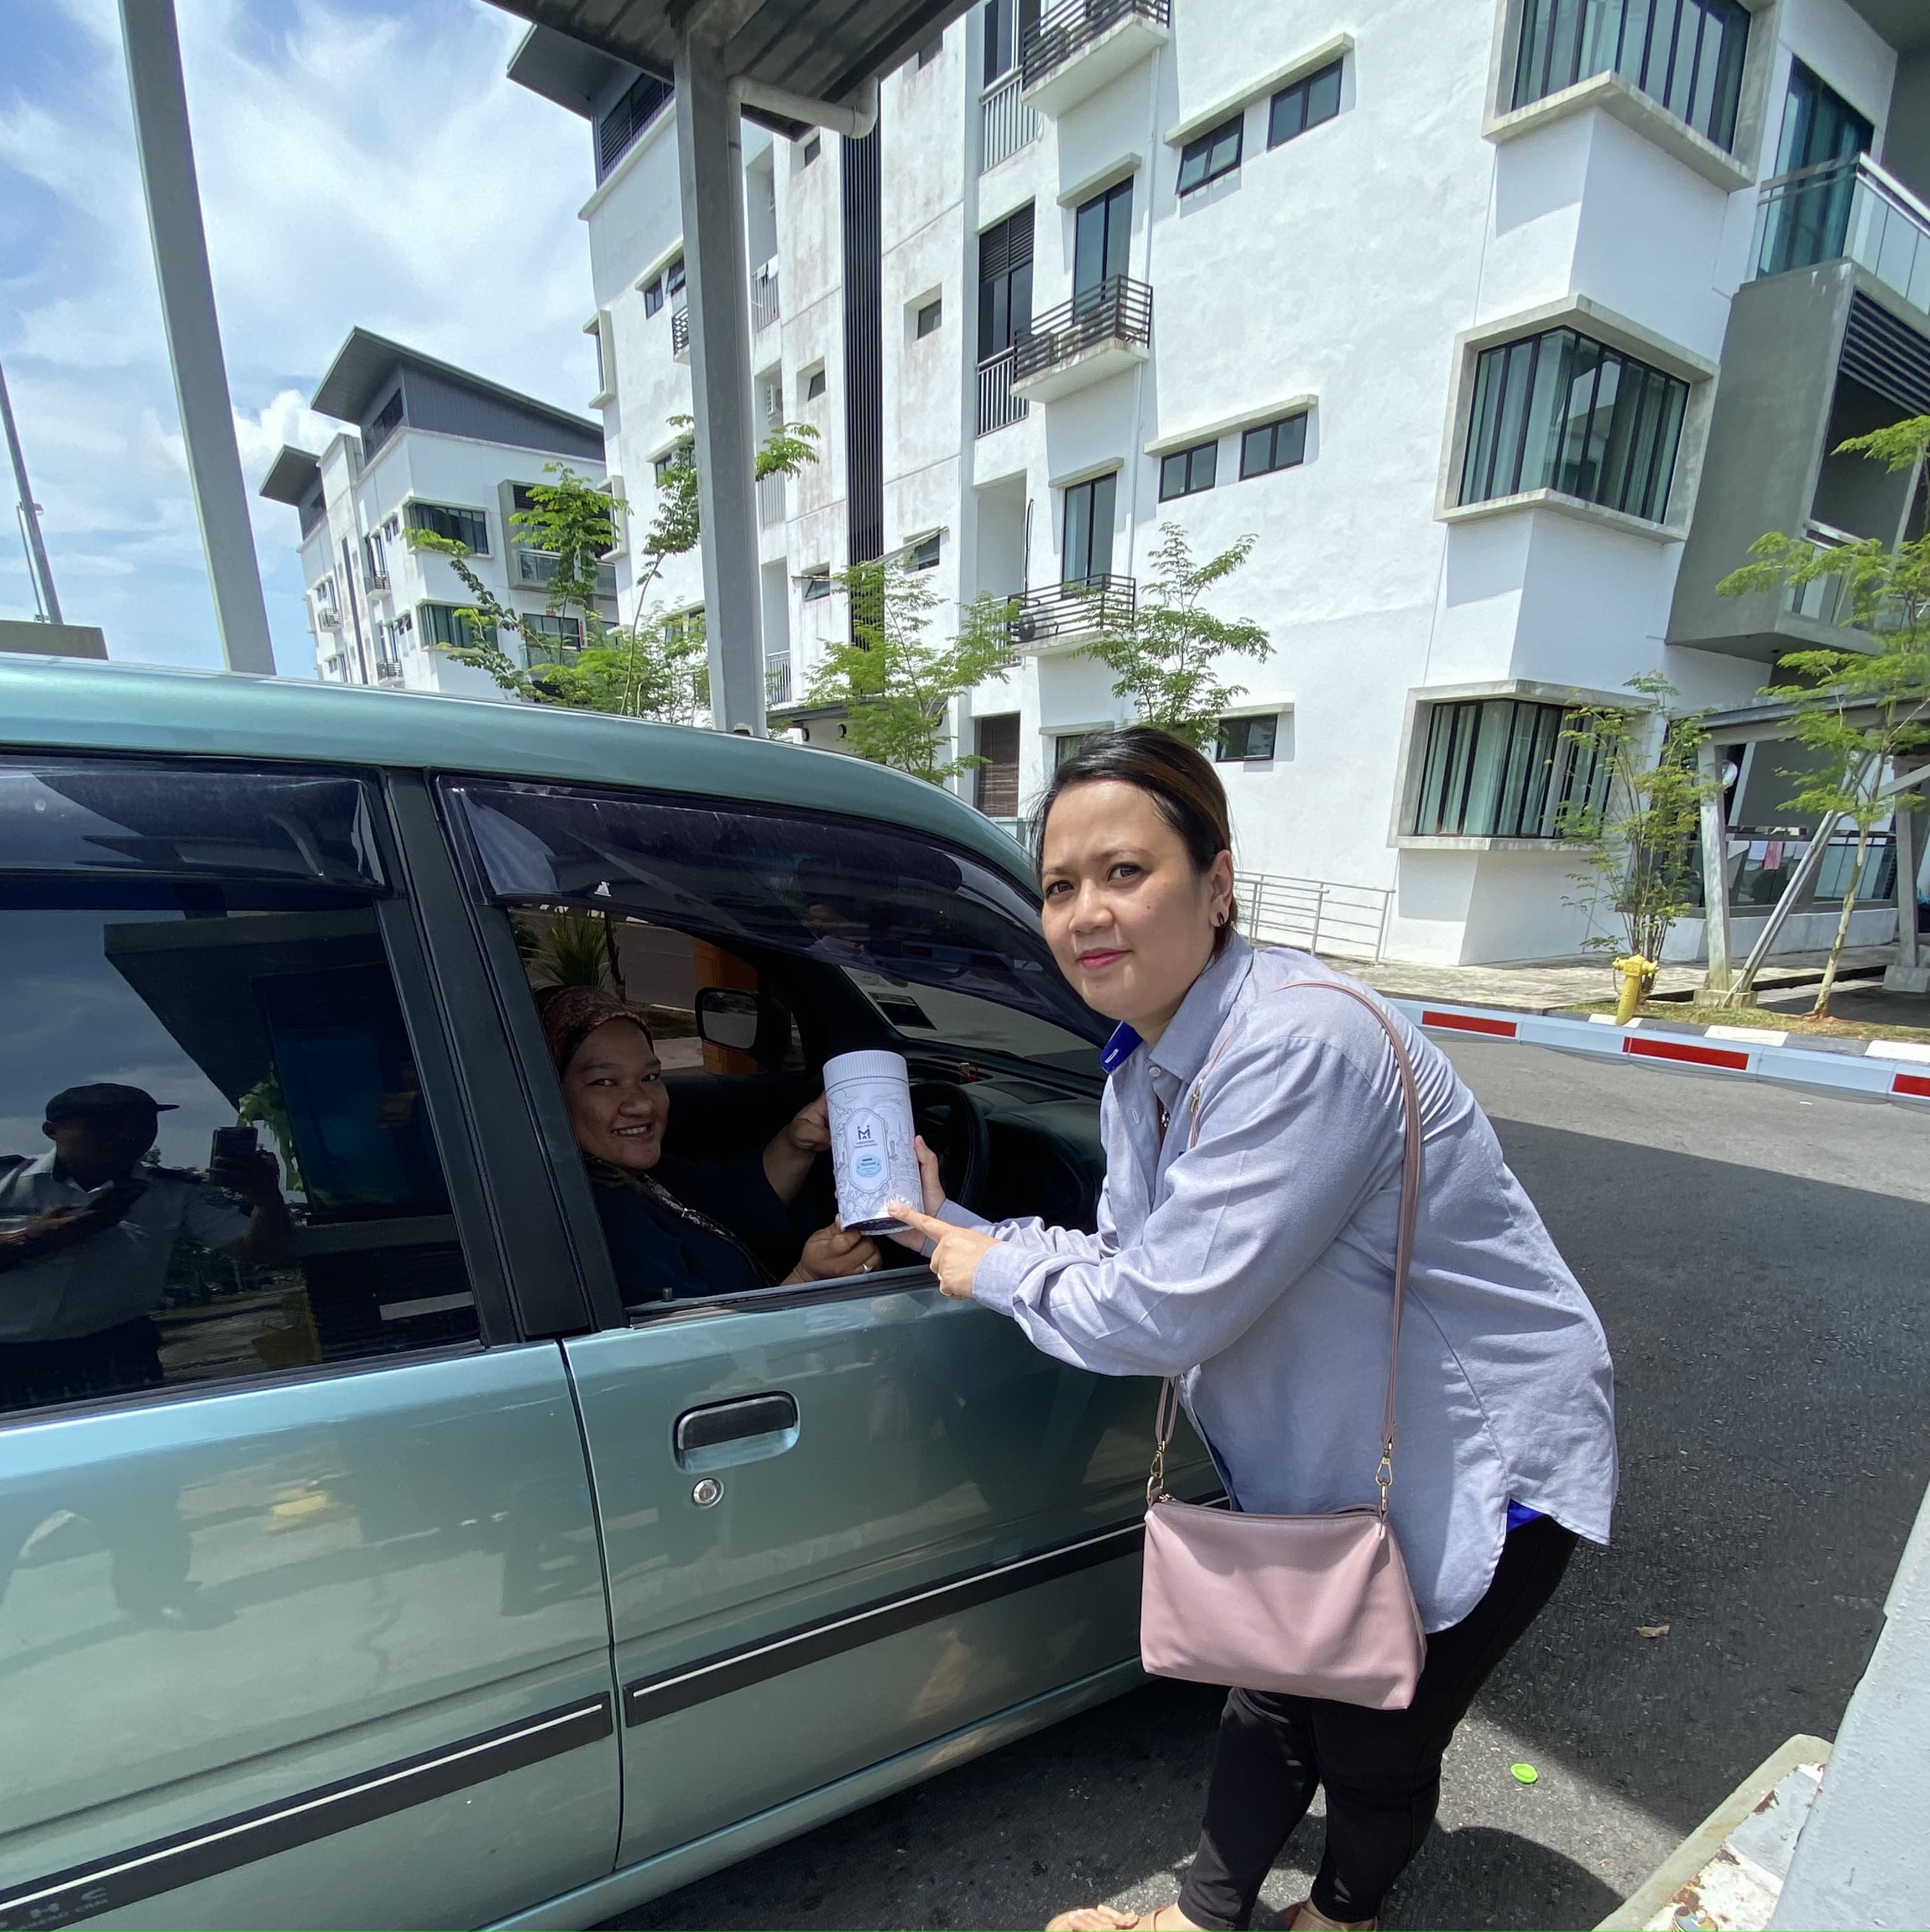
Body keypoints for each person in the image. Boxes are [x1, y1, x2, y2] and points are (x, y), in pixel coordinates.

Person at [890, 729, 1617, 1932]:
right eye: (1059, 886)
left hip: (1474, 1464)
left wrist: (992, 1273)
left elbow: (1170, 1309)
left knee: (1366, 1727)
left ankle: (1339, 1915)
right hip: (1329, 1456)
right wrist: (948, 1226)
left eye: (1124, 872)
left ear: (1216, 885)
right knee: (1271, 1685)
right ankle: (1199, 1915)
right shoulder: (1143, 1067)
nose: (1084, 912)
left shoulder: (1300, 1043)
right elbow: (1140, 1258)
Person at [539, 986, 879, 1299]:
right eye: (604, 1082)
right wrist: (808, 1279)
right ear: (549, 1094)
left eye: (651, 1077)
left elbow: (731, 1196)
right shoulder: (600, 1221)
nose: (642, 1104)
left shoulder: (636, 1174)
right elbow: (689, 1354)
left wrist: (797, 1143)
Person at [0, 1082, 290, 1412]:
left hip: (114, 1354)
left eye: (143, 1124)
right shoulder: (7, 1182)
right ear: (51, 1131)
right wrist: (28, 1239)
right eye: (105, 1125)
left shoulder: (175, 1193)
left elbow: (259, 1252)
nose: (128, 1134)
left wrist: (267, 1199)